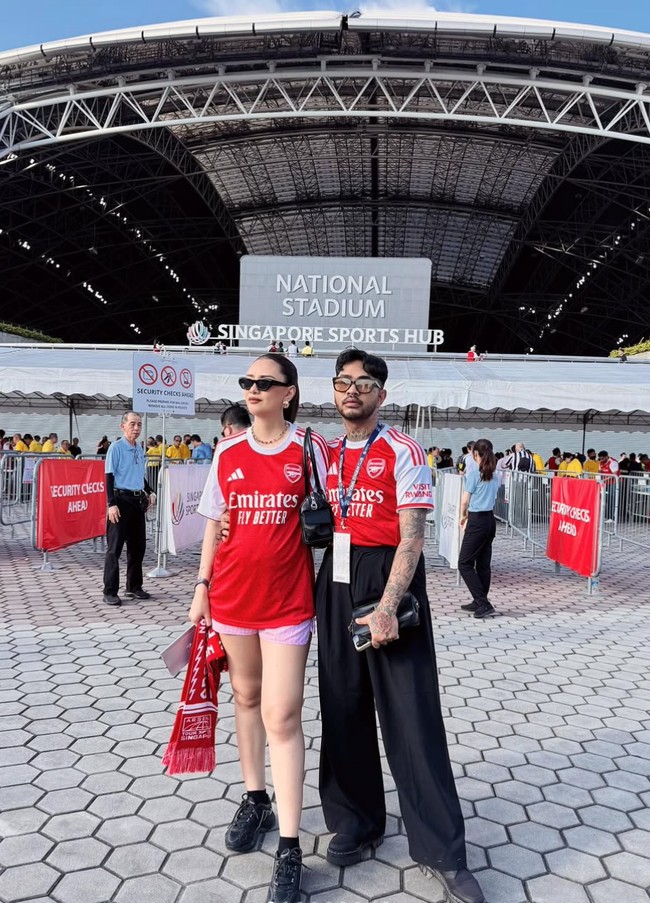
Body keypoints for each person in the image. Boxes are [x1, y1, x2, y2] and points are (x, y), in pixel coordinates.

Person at [315, 349, 484, 903]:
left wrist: (389, 605)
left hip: (389, 578)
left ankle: (443, 852)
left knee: (411, 717)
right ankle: (358, 821)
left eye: (365, 384)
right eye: (344, 382)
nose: (352, 391)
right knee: (341, 703)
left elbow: (411, 537)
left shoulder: (403, 449)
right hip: (335, 577)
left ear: (382, 395)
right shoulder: (326, 450)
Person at [191, 354, 328, 903]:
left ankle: (291, 846)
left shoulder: (308, 449)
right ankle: (255, 798)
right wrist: (201, 588)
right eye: (247, 382)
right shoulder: (227, 451)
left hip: (289, 602)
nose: (252, 389)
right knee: (245, 697)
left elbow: (336, 512)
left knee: (282, 713)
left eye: (264, 382)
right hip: (230, 598)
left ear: (288, 393)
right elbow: (213, 526)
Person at [102, 412, 155, 607]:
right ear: (122, 426)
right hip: (120, 501)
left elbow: (140, 475)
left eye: (139, 424)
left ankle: (133, 586)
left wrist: (150, 491)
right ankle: (109, 590)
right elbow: (108, 476)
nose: (137, 428)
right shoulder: (115, 448)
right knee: (114, 549)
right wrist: (111, 504)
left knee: (137, 547)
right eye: (132, 424)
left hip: (136, 501)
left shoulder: (139, 449)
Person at [458, 439, 499, 620]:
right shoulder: (494, 475)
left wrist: (463, 515)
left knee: (464, 563)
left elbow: (465, 500)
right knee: (483, 564)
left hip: (477, 520)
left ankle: (483, 602)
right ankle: (479, 599)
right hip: (490, 519)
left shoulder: (474, 475)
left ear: (475, 454)